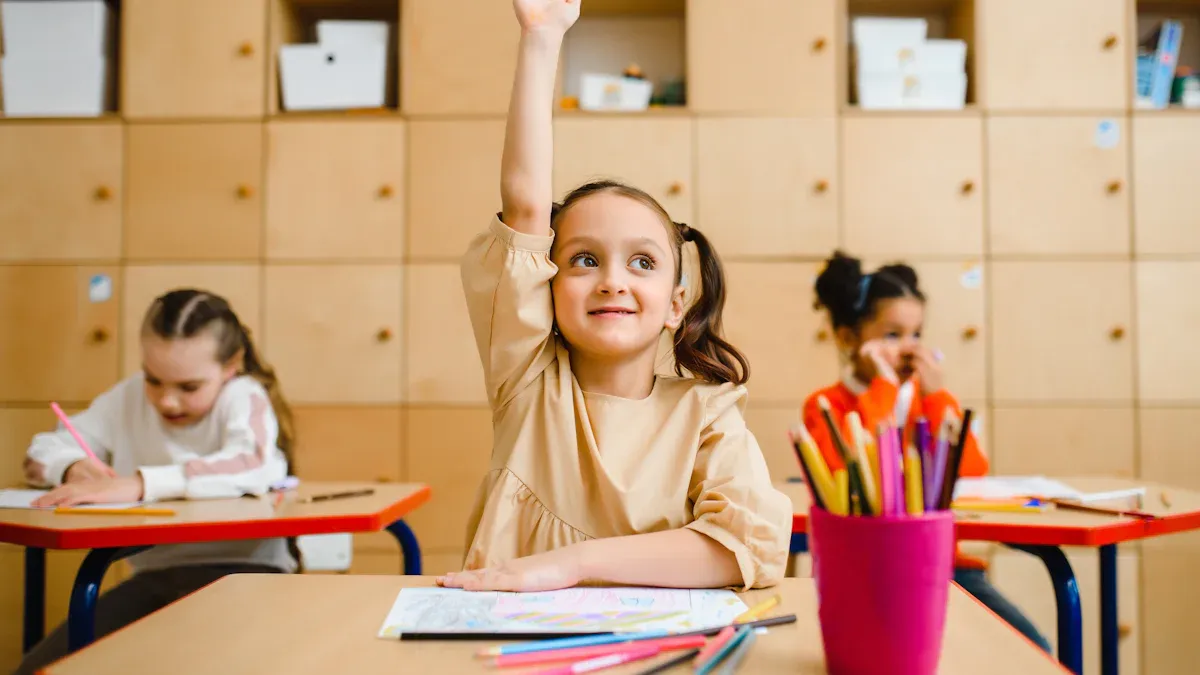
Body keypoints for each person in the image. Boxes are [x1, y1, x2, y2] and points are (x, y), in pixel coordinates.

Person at [436, 0, 791, 594]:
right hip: (514, 646)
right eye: (583, 260)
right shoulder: (527, 378)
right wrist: (541, 37)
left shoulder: (707, 413)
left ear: (676, 303)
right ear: (545, 288)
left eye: (643, 263)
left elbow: (743, 549)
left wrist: (574, 564)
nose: (612, 281)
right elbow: (524, 208)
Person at [15, 289, 297, 675]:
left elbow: (255, 465)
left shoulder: (244, 396)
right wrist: (71, 467)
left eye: (189, 388)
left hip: (248, 576)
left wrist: (139, 484)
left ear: (231, 365)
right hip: (155, 580)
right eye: (154, 379)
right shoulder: (130, 397)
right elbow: (39, 454)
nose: (167, 402)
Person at [803, 250, 1052, 653]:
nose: (909, 349)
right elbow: (847, 469)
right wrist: (882, 389)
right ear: (849, 338)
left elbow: (969, 473)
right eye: (892, 335)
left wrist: (937, 397)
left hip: (941, 568)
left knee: (1032, 646)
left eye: (916, 334)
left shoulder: (927, 399)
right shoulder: (826, 406)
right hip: (869, 573)